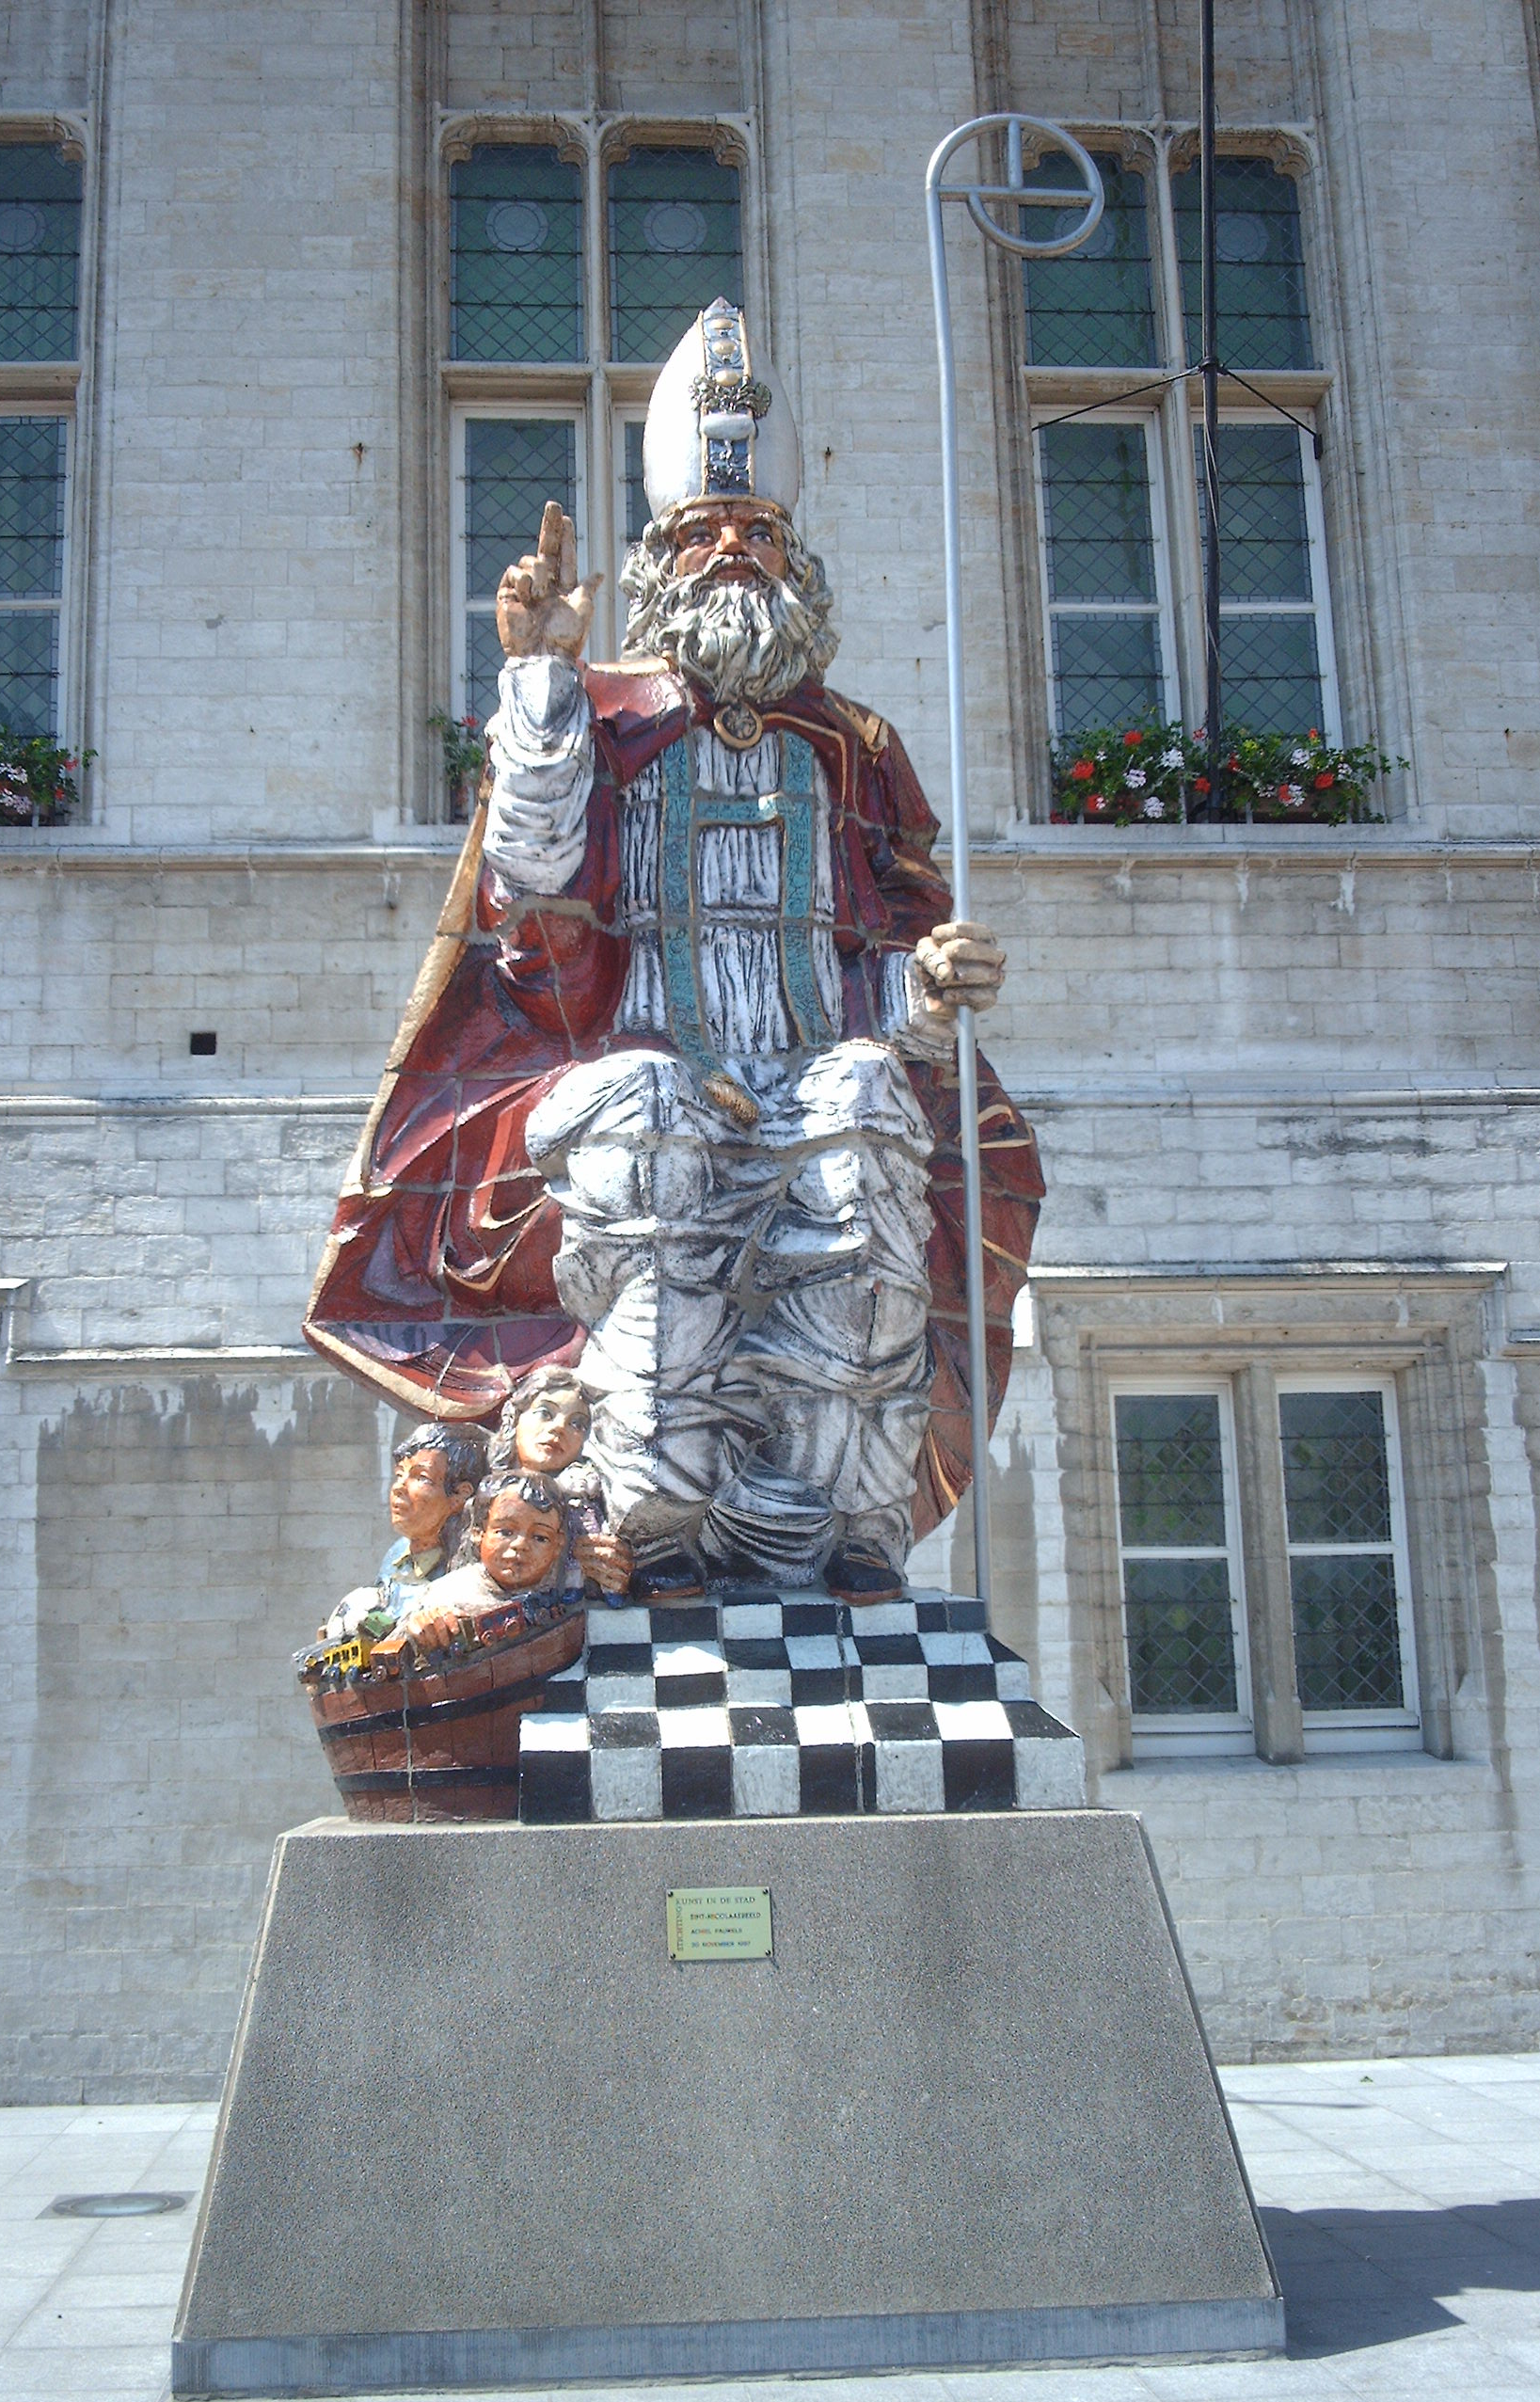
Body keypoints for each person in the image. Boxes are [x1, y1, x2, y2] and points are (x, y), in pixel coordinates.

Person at [305, 296, 1043, 1604]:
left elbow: (899, 971)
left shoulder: (855, 748)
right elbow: (530, 881)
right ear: (662, 557)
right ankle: (652, 1522)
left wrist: (932, 997)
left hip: (816, 1065)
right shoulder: (602, 718)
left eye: (757, 529)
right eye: (705, 531)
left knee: (872, 1104)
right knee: (649, 1126)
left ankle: (849, 1523)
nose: (735, 552)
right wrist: (536, 682)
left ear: (793, 553)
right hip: (631, 1061)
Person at [375, 1470, 574, 1667]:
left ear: (558, 1544)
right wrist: (419, 1631)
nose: (520, 1545)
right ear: (478, 1532)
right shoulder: (448, 1593)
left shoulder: (566, 1588)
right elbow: (394, 1647)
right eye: (505, 1532)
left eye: (540, 1537)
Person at [316, 1423, 485, 1644]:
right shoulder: (397, 1553)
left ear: (459, 1497)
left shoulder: (467, 1568)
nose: (399, 1487)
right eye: (399, 1475)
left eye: (421, 1478)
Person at [488, 1365, 633, 1599]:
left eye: (577, 1424)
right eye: (545, 1413)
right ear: (515, 1419)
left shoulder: (592, 1497)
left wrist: (615, 1573)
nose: (558, 1428)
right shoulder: (484, 1496)